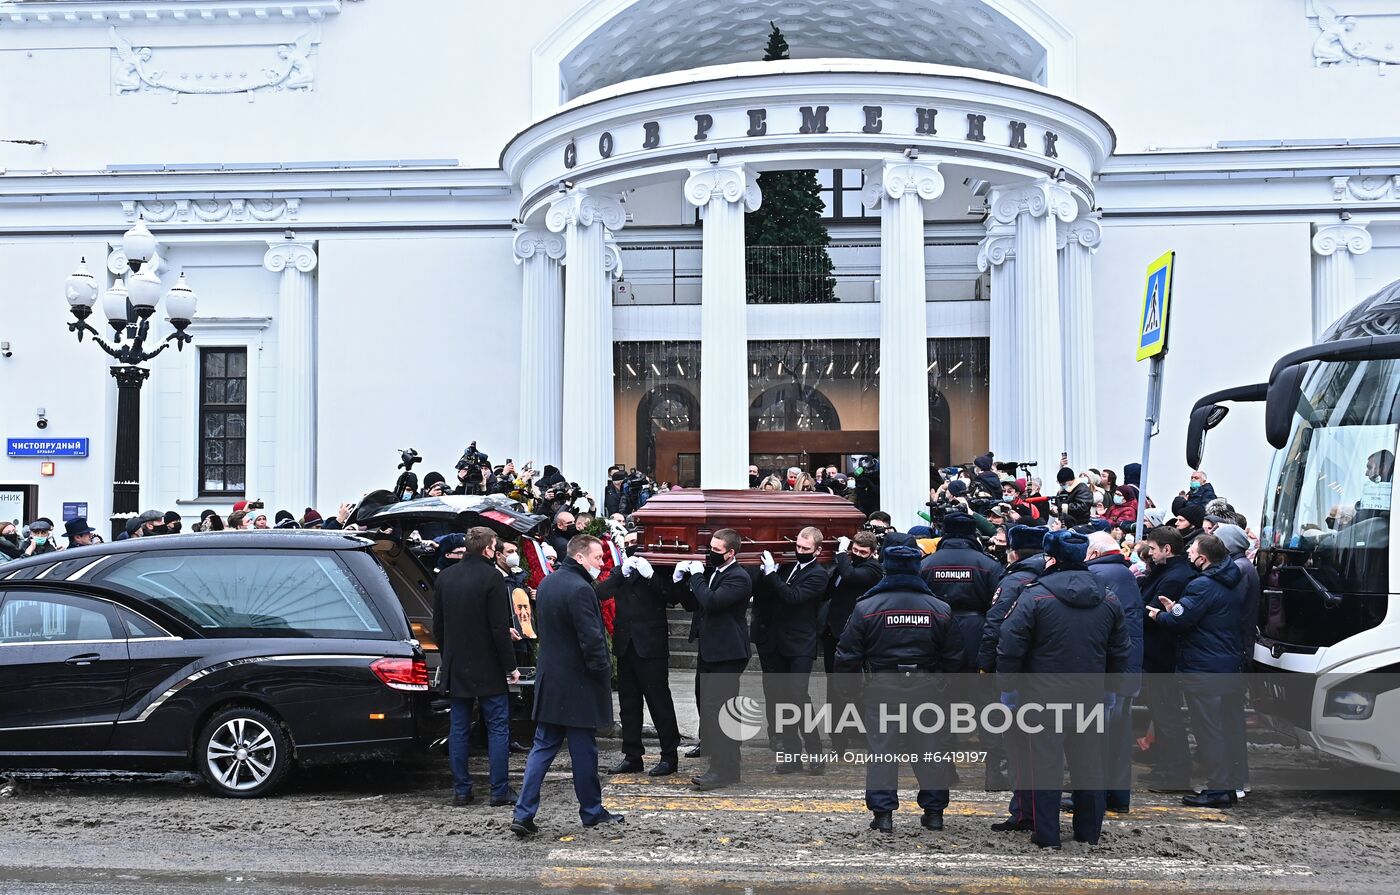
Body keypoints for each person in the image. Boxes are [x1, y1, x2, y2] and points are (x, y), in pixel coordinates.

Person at [997, 530, 1131, 850]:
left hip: (1042, 698)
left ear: (1051, 559)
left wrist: (1008, 687)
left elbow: (1010, 646)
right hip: (1090, 696)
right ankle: (1088, 832)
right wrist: (1112, 689)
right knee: (1089, 765)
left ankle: (1047, 834)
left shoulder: (1034, 596)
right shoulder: (1108, 598)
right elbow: (1120, 650)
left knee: (1045, 765)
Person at [834, 532, 965, 834]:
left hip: (882, 685)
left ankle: (883, 815)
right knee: (930, 750)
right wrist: (947, 689)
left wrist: (850, 690)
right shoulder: (939, 608)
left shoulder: (867, 606)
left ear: (886, 567)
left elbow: (847, 653)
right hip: (926, 687)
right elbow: (955, 656)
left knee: (882, 752)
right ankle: (934, 813)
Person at [512, 535, 623, 835]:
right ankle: (592, 811)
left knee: (542, 748)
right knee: (583, 751)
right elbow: (592, 639)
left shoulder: (549, 583)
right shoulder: (581, 589)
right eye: (598, 558)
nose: (601, 563)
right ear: (580, 557)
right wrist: (603, 675)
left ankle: (523, 813)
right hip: (578, 684)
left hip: (551, 680)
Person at [1147, 534, 1244, 808]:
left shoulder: (1202, 584)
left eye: (1192, 550)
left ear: (1203, 558)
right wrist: (1175, 609)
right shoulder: (1229, 580)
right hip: (1224, 664)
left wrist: (1161, 615)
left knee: (1208, 731)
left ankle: (1217, 790)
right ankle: (1227, 786)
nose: (1188, 552)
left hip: (1203, 668)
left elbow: (1181, 620)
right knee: (1222, 729)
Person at [432, 527, 520, 809]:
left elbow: (438, 626)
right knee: (497, 727)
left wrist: (448, 656)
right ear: (487, 549)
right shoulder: (492, 577)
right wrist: (511, 665)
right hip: (488, 664)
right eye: (495, 547)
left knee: (458, 728)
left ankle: (462, 791)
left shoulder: (445, 577)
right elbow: (498, 628)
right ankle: (499, 790)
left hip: (457, 663)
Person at [673, 528, 752, 791]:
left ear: (731, 553)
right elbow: (694, 603)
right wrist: (681, 581)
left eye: (716, 550)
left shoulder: (738, 577)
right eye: (710, 547)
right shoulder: (715, 572)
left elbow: (711, 601)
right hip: (711, 650)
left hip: (728, 652)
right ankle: (730, 767)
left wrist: (696, 576)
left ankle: (721, 770)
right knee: (710, 708)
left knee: (720, 712)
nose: (710, 553)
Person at [597, 534, 681, 777]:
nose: (631, 546)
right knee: (629, 705)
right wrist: (621, 574)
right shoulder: (620, 570)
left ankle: (669, 756)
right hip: (626, 645)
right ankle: (632, 755)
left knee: (659, 703)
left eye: (635, 541)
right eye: (627, 543)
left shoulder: (658, 570)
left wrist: (651, 575)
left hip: (651, 646)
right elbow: (601, 592)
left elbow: (673, 597)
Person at [979, 524, 1047, 820]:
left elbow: (996, 624)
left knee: (1006, 724)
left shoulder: (1014, 580)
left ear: (1014, 552)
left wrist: (986, 664)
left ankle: (1003, 778)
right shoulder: (1051, 576)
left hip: (1015, 667)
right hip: (1048, 669)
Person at [754, 526, 830, 772]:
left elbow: (793, 597)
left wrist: (771, 574)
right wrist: (766, 573)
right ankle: (792, 755)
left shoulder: (819, 574)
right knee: (781, 699)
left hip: (800, 644)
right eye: (797, 546)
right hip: (777, 641)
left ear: (817, 550)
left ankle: (815, 752)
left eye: (805, 548)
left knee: (798, 697)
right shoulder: (787, 568)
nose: (800, 551)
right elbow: (768, 595)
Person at [1085, 531, 1145, 814]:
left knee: (1098, 738)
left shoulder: (1097, 575)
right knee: (1119, 739)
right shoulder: (1124, 573)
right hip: (1128, 667)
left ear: (1094, 553)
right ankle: (1118, 798)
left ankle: (1094, 798)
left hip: (1109, 670)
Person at [1137, 525, 1197, 790]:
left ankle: (1175, 774)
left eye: (1152, 549)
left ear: (1167, 549)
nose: (1149, 553)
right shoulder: (1167, 571)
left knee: (1167, 716)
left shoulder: (1174, 577)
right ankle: (1165, 767)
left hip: (1162, 656)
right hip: (1157, 655)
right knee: (1161, 714)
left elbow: (1152, 613)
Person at [819, 531, 883, 751]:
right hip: (833, 632)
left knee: (852, 686)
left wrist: (841, 554)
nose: (857, 554)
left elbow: (851, 577)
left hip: (856, 635)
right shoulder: (845, 564)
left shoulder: (873, 569)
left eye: (862, 552)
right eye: (854, 550)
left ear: (872, 553)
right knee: (833, 686)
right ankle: (838, 736)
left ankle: (855, 731)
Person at [1214, 522, 1259, 797]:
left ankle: (1236, 780)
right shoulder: (1242, 566)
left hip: (1234, 649)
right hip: (1237, 648)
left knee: (1229, 719)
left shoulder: (1239, 570)